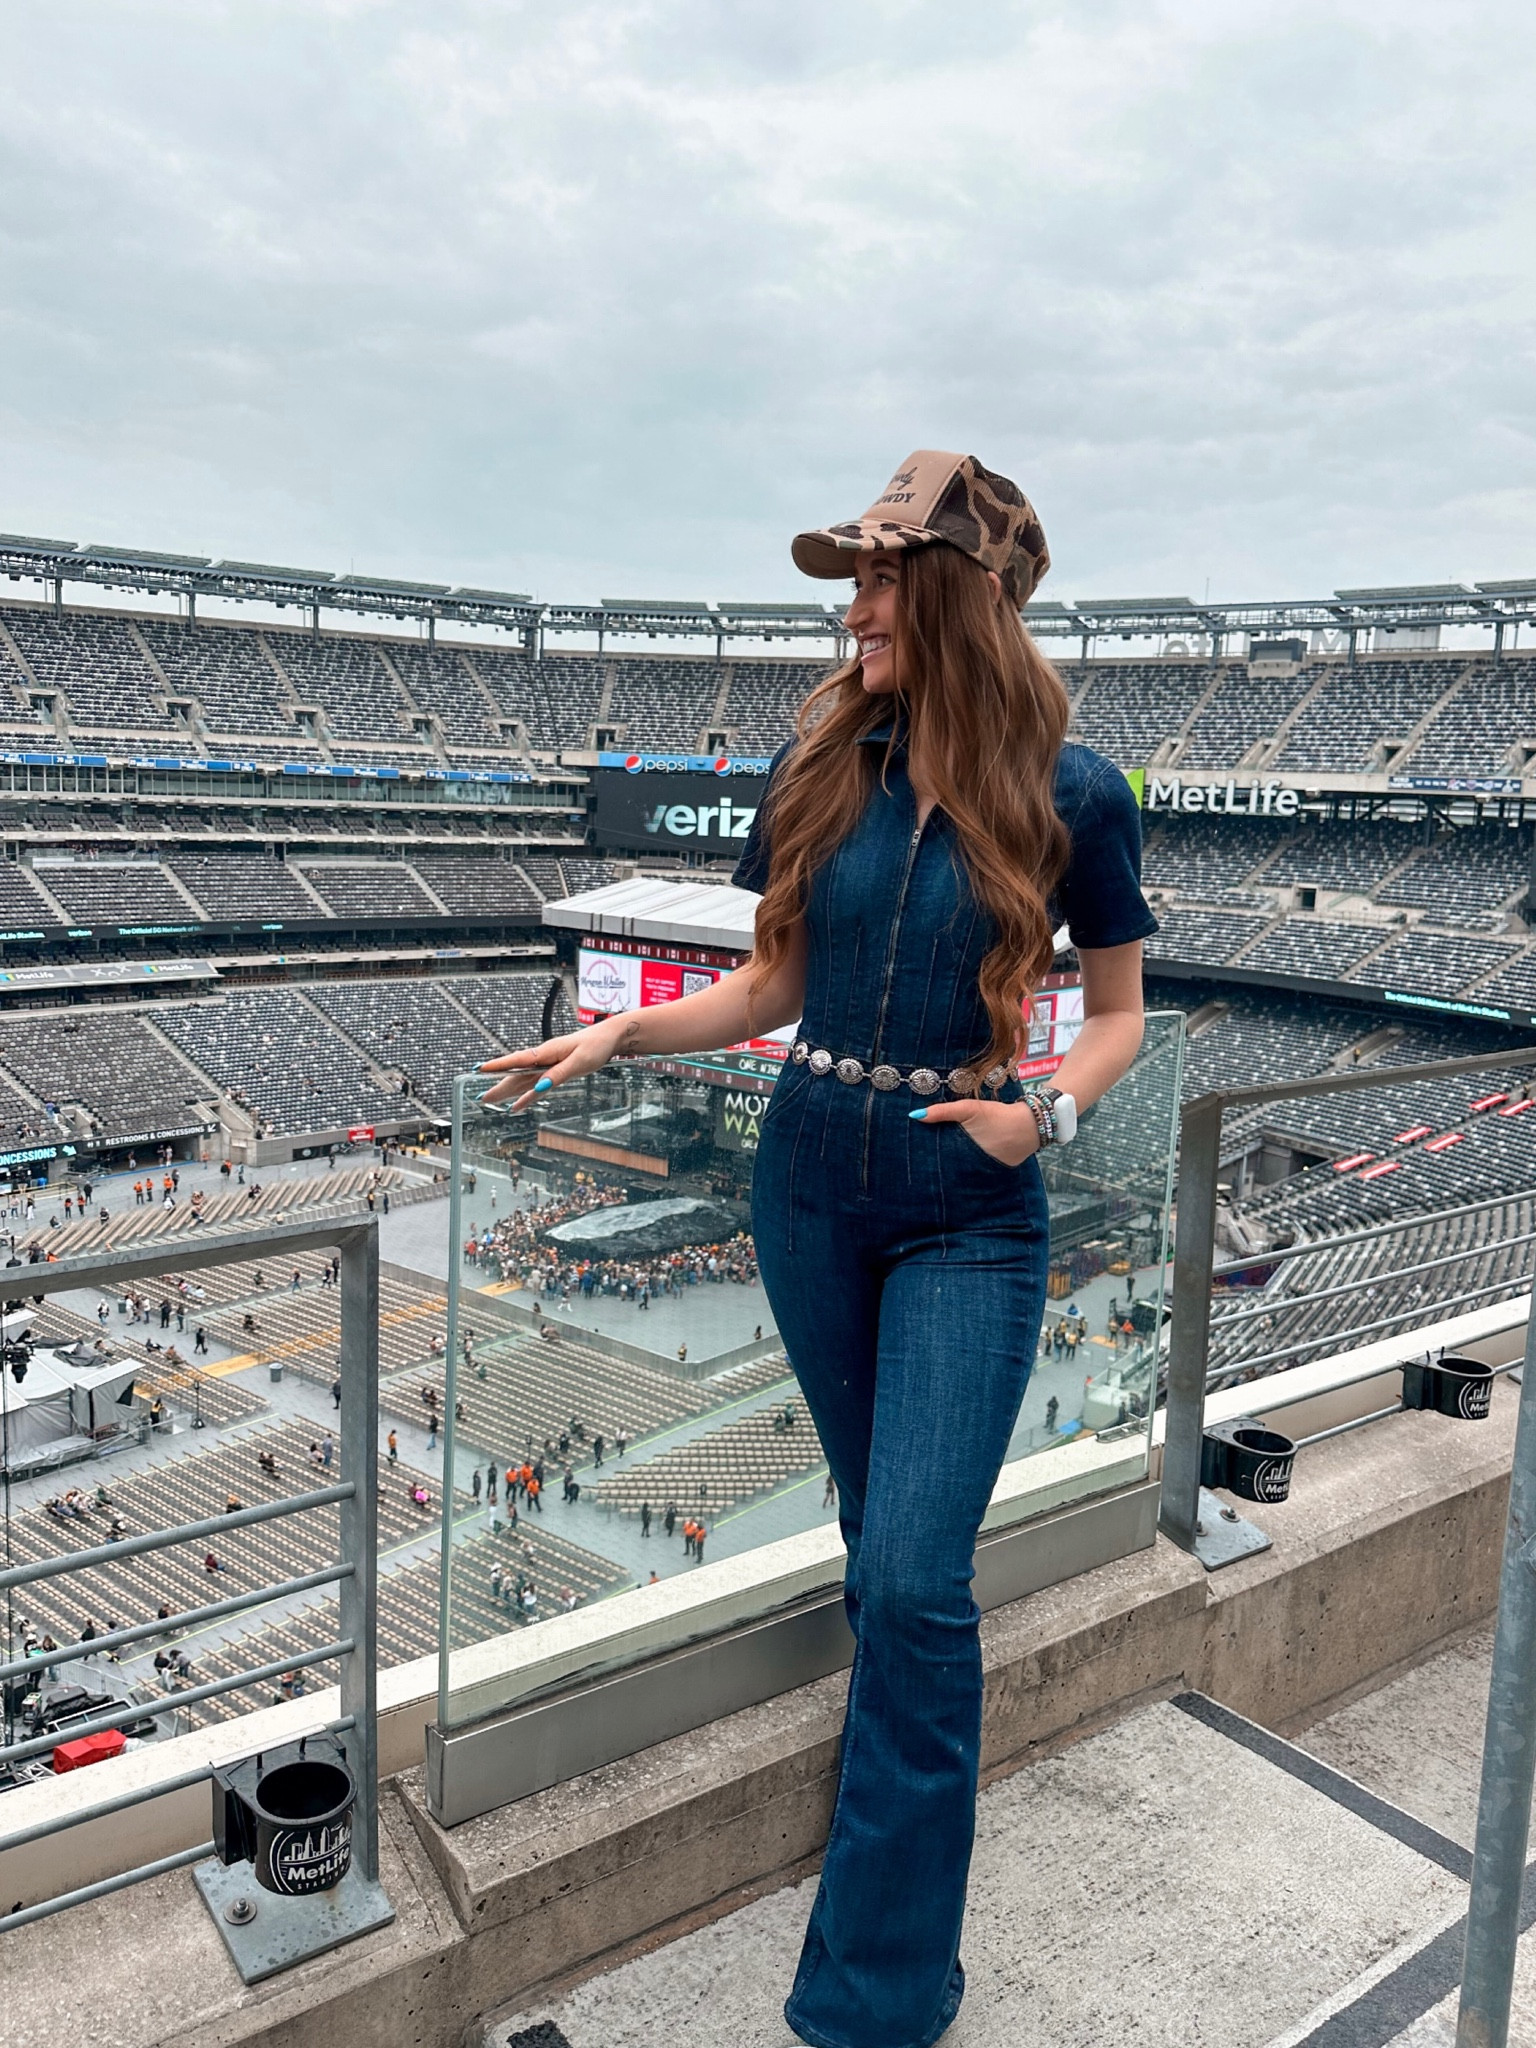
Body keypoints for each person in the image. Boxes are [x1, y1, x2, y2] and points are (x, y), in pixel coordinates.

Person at [478, 452, 1152, 2048]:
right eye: (851, 582)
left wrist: (1041, 1118)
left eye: (877, 581)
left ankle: (875, 2002)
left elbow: (1120, 1019)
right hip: (806, 1191)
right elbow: (771, 990)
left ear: (966, 597)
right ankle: (885, 1869)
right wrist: (620, 1045)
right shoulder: (826, 759)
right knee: (879, 1546)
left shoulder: (1078, 792)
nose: (851, 611)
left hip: (970, 1214)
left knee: (917, 1580)